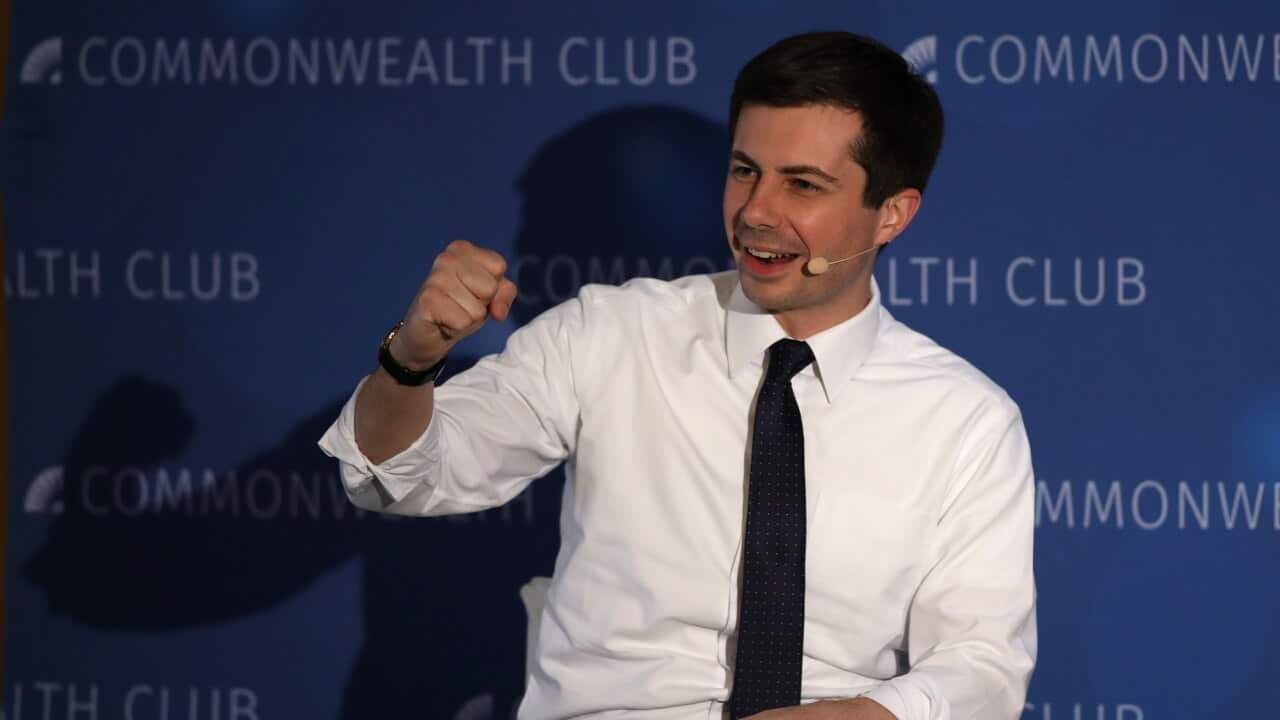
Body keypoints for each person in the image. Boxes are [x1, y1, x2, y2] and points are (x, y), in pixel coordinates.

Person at [319, 31, 1036, 720]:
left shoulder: (965, 420)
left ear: (893, 215)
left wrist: (860, 715)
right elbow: (398, 477)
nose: (756, 212)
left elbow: (983, 665)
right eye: (745, 171)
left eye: (803, 185)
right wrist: (410, 363)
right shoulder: (611, 334)